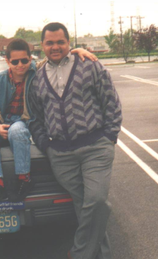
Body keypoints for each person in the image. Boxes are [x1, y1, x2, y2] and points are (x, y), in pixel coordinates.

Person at [29, 23, 122, 259]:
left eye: (60, 41)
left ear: (69, 43)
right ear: (42, 46)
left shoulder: (89, 65)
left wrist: (109, 137)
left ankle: (78, 253)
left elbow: (111, 100)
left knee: (97, 201)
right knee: (86, 210)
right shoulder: (38, 77)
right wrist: (46, 146)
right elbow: (35, 118)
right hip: (61, 156)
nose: (55, 47)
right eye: (50, 43)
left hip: (95, 149)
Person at [0, 38, 98, 203]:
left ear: (30, 59)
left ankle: (24, 179)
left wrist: (77, 51)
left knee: (17, 130)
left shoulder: (35, 71)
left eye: (24, 60)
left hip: (21, 121)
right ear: (7, 61)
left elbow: (55, 57)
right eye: (15, 61)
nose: (20, 65)